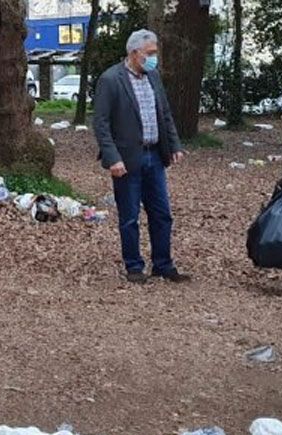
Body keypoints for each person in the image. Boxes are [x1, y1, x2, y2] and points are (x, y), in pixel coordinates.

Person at [92, 29, 189, 284]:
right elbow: (101, 123)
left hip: (155, 155)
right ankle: (134, 266)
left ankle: (163, 264)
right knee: (130, 216)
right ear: (134, 53)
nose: (154, 58)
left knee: (162, 213)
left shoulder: (153, 77)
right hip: (126, 159)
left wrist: (174, 144)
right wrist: (112, 158)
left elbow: (164, 113)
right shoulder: (111, 80)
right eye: (150, 53)